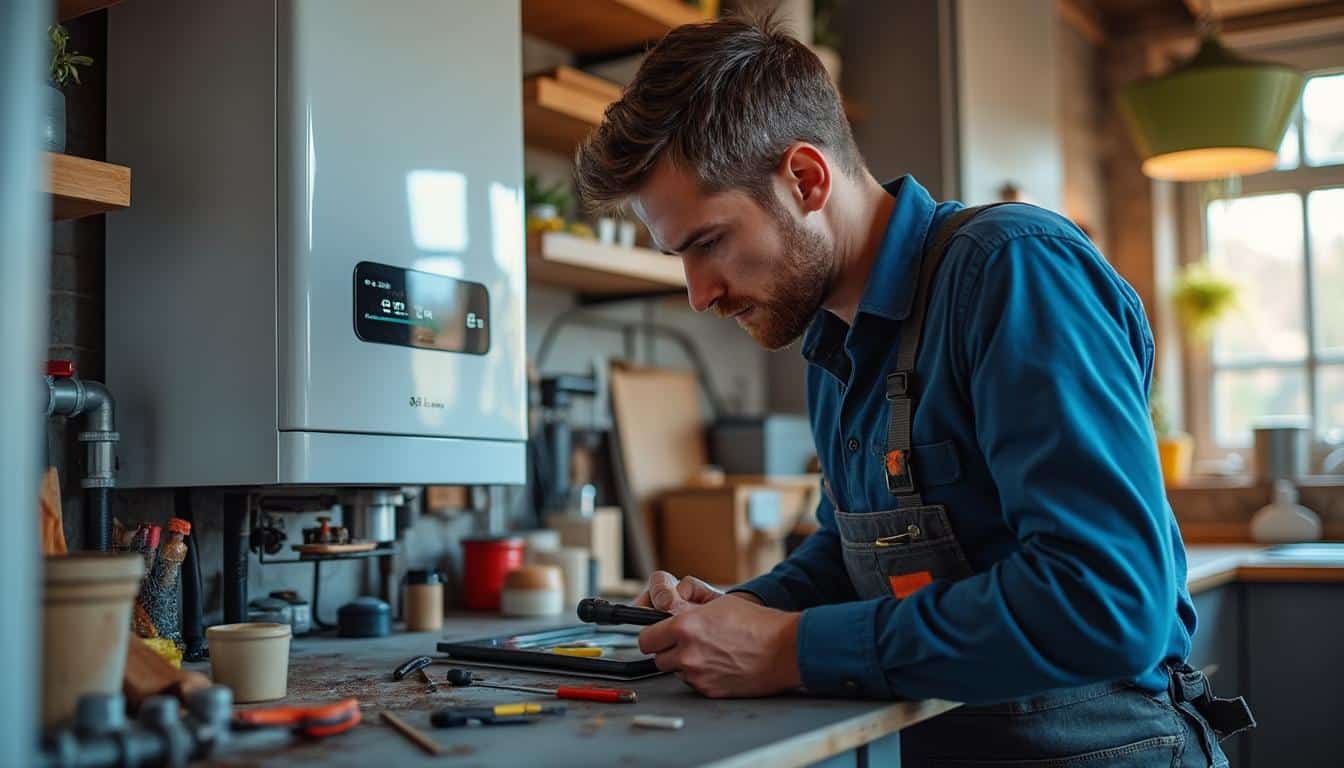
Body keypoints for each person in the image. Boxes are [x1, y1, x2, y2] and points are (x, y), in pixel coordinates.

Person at [574, 13, 1254, 767]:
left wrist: (790, 649)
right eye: (679, 257)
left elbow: (1104, 600)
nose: (698, 294)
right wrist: (748, 611)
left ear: (805, 178)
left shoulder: (1014, 270)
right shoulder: (833, 341)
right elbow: (852, 555)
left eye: (708, 243)